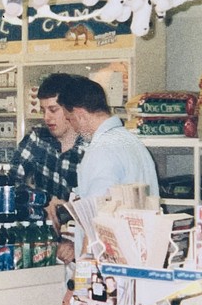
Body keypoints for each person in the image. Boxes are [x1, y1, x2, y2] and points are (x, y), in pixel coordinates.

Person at [59, 76, 159, 202]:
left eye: (70, 119)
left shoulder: (102, 150)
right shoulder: (130, 140)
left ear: (80, 115)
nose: (73, 127)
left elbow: (98, 209)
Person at [9, 72, 85, 205]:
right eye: (43, 111)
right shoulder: (37, 139)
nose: (46, 117)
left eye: (53, 110)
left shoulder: (89, 146)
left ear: (72, 109)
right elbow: (12, 182)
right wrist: (44, 200)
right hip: (40, 223)